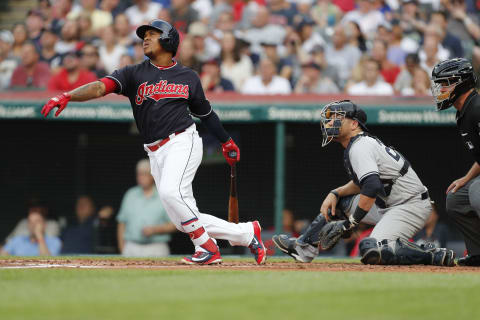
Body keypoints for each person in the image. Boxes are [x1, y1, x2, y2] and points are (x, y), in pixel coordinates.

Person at [40, 19, 266, 265]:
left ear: (169, 40)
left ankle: (208, 249)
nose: (145, 38)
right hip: (155, 152)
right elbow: (99, 87)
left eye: (152, 34)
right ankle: (247, 233)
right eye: (144, 35)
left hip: (183, 140)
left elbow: (206, 115)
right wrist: (67, 95)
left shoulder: (188, 76)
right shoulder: (133, 73)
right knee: (183, 220)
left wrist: (226, 141)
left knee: (170, 193)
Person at [274, 100, 455, 266]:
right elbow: (364, 182)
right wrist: (336, 192)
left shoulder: (360, 146)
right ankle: (304, 246)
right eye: (330, 119)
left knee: (372, 249)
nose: (330, 123)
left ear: (354, 124)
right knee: (339, 204)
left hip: (410, 205)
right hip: (390, 204)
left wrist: (351, 223)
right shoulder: (359, 144)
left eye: (337, 118)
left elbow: (372, 186)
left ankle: (430, 254)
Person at [431, 58, 480, 266]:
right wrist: (466, 178)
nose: (441, 89)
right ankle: (478, 253)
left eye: (445, 84)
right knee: (456, 198)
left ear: (461, 83)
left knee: (476, 191)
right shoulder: (464, 110)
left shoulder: (477, 108)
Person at [116, 159, 176, 257]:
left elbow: (175, 225)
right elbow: (121, 223)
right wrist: (122, 249)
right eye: (139, 174)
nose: (141, 177)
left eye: (144, 174)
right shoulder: (130, 194)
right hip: (131, 246)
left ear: (152, 175)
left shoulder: (163, 196)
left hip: (157, 247)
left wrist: (155, 229)